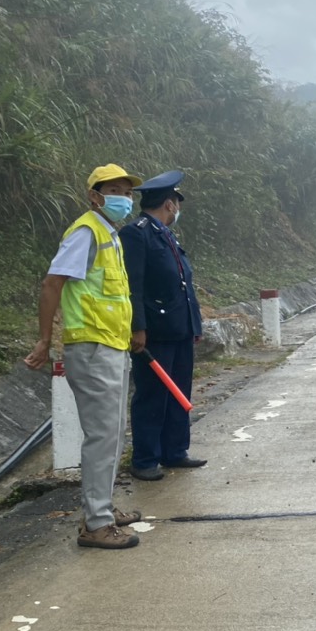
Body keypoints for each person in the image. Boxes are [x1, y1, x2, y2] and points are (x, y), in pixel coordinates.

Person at [24, 164, 144, 550]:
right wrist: (45, 339)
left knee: (111, 434)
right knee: (102, 436)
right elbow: (52, 282)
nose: (125, 199)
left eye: (128, 193)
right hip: (91, 347)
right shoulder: (86, 232)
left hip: (110, 346)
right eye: (116, 191)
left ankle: (103, 510)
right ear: (95, 196)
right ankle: (96, 524)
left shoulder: (111, 235)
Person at [120, 169, 206, 481]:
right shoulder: (136, 234)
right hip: (155, 330)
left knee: (179, 389)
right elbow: (134, 285)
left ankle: (175, 451)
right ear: (169, 204)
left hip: (179, 327)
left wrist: (193, 324)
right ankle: (145, 459)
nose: (178, 210)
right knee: (153, 394)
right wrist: (137, 327)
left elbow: (183, 283)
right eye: (177, 203)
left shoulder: (166, 234)